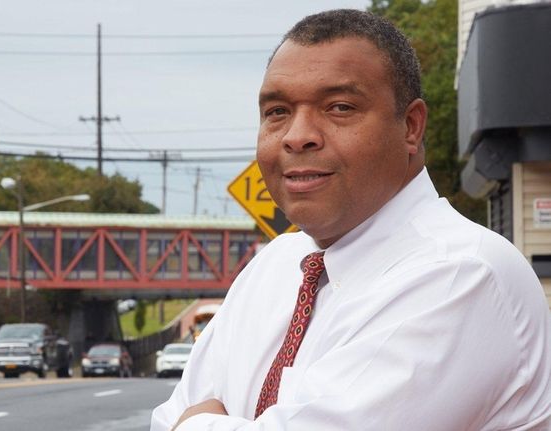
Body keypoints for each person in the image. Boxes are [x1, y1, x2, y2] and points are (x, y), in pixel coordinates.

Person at [151, 9, 551, 431]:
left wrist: (192, 424)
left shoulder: (462, 273)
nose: (297, 135)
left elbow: (177, 421)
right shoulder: (273, 267)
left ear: (411, 127)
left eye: (339, 107)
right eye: (277, 111)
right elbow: (164, 417)